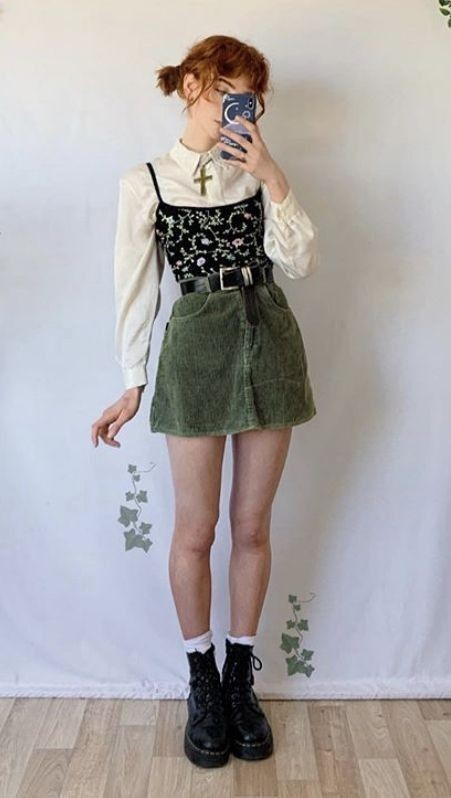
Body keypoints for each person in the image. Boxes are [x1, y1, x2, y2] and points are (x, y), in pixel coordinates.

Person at [91, 34, 319, 769]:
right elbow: (134, 288)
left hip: (268, 336)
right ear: (191, 84)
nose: (234, 106)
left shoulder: (257, 173)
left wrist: (272, 175)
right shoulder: (145, 182)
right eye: (224, 90)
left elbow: (301, 261)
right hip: (193, 347)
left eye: (247, 96)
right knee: (195, 530)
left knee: (250, 526)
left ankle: (238, 679)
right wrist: (132, 380)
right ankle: (201, 680)